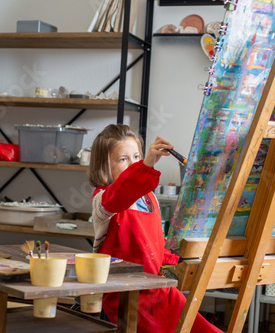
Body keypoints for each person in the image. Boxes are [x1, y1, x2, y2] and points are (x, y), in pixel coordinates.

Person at [88, 124, 222, 333]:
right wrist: (146, 165)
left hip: (160, 289)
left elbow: (155, 245)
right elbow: (122, 192)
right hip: (128, 296)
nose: (132, 164)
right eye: (123, 160)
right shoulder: (103, 200)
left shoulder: (149, 198)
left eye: (136, 157)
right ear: (103, 167)